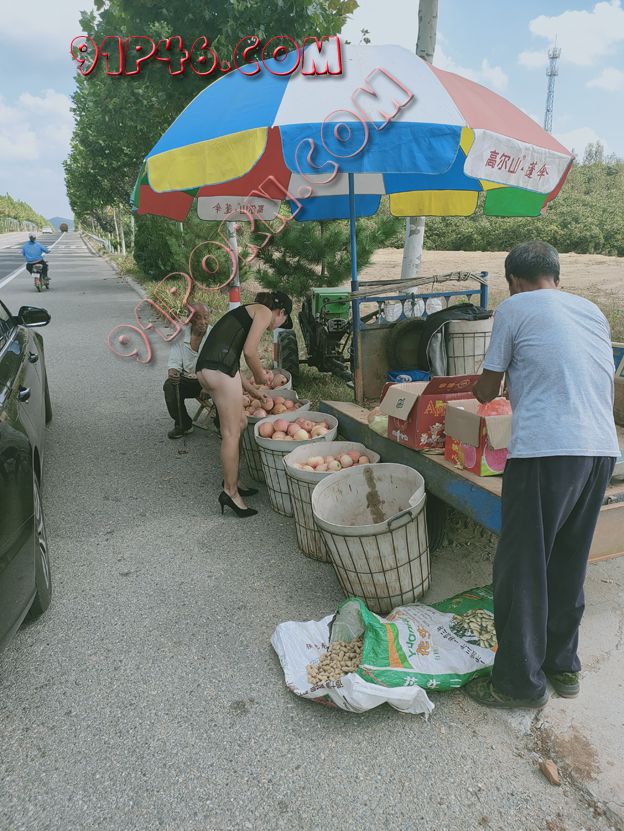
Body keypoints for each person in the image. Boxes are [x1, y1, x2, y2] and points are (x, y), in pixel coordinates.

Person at [466, 240, 619, 710]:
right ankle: (562, 666)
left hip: (546, 451)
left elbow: (487, 389)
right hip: (600, 450)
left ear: (514, 280)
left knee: (523, 566)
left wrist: (485, 385)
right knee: (569, 560)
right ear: (557, 275)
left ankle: (518, 684)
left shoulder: (514, 308)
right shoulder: (591, 310)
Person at [196, 291, 294, 518]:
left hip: (210, 368)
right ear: (281, 312)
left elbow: (231, 361)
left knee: (239, 423)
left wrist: (254, 392)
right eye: (283, 321)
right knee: (231, 433)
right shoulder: (264, 312)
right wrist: (260, 376)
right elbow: (250, 352)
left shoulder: (247, 312)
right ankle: (230, 493)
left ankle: (234, 481)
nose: (276, 326)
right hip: (219, 370)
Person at [164, 304, 211, 439]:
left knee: (225, 387)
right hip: (189, 379)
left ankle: (222, 426)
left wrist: (208, 385)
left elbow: (219, 366)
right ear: (190, 319)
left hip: (211, 381)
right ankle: (183, 424)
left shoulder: (214, 335)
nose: (203, 322)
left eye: (206, 317)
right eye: (198, 318)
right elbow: (174, 361)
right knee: (169, 386)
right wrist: (173, 372)